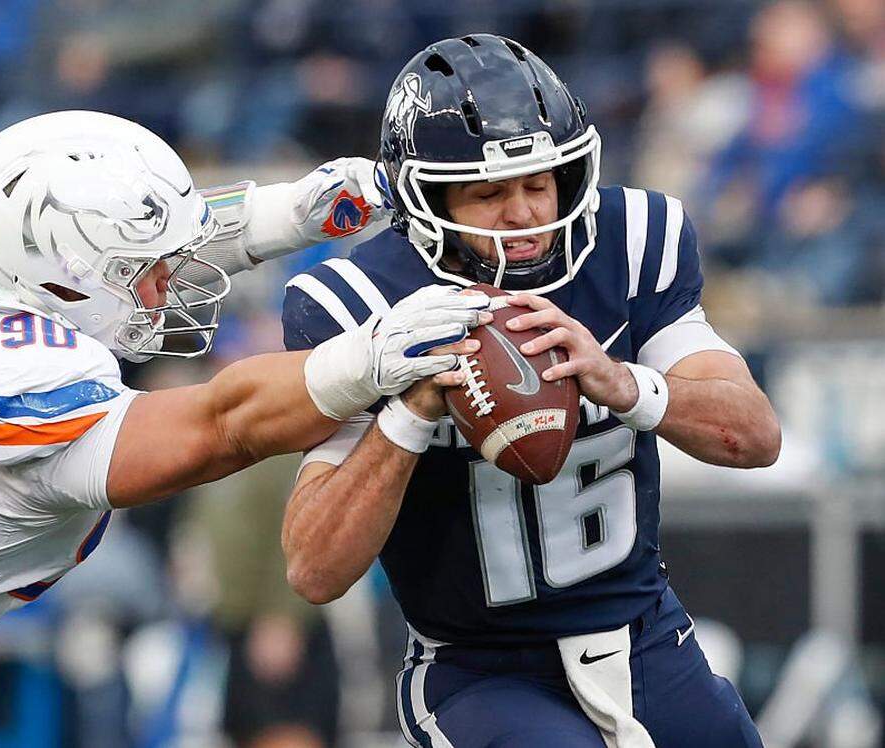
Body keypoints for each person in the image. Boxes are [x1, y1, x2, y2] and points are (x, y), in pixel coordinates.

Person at [0, 110, 492, 746]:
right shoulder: (4, 381)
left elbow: (104, 244)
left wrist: (291, 213)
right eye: (143, 272)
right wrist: (370, 356)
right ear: (59, 276)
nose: (166, 289)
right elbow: (220, 425)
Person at [280, 36, 781, 748]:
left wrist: (624, 383)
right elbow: (313, 567)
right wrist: (414, 407)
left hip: (646, 639)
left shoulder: (631, 245)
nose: (523, 214)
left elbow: (756, 437)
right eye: (489, 192)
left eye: (540, 182)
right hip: (481, 671)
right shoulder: (360, 302)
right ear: (424, 198)